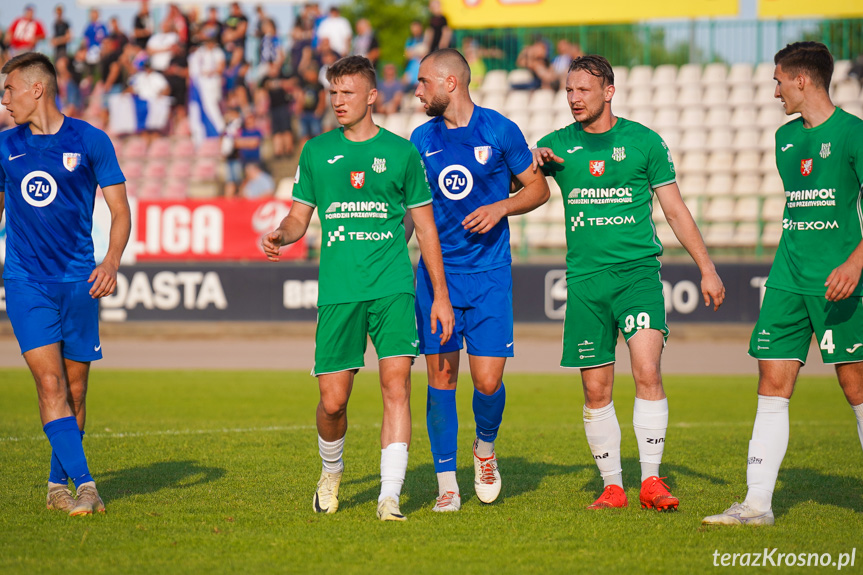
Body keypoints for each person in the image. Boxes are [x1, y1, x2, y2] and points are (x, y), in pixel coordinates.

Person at [262, 55, 454, 521]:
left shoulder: (402, 154)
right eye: (333, 93)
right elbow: (298, 217)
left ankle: (389, 495)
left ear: (371, 96)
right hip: (338, 292)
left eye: (347, 93)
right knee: (333, 402)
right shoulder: (315, 152)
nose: (337, 101)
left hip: (392, 286)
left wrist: (441, 295)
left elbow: (426, 230)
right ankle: (331, 471)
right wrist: (282, 235)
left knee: (396, 387)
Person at [532, 55, 725, 511]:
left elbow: (675, 211)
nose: (574, 98)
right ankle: (613, 485)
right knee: (596, 390)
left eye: (583, 89)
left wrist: (707, 267)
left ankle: (652, 480)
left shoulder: (644, 142)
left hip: (638, 275)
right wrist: (531, 162)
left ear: (608, 92)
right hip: (583, 282)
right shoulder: (555, 146)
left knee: (647, 372)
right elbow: (521, 186)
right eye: (569, 90)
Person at [703, 42, 863, 527]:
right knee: (772, 384)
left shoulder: (855, 133)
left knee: (855, 385)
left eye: (778, 81)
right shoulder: (785, 140)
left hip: (840, 282)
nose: (774, 91)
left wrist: (856, 262)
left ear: (802, 80)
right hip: (787, 280)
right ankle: (757, 506)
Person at [410, 48, 550, 512]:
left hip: (490, 276)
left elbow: (538, 188)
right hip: (438, 278)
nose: (417, 91)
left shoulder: (500, 129)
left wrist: (501, 207)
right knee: (442, 378)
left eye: (424, 82)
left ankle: (485, 451)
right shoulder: (419, 139)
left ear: (451, 83)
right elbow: (413, 214)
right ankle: (447, 482)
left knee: (487, 383)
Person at [0, 52, 131, 516]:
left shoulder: (90, 140)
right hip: (25, 282)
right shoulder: (4, 145)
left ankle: (59, 485)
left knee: (75, 392)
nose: (5, 99)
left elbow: (120, 210)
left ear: (37, 89)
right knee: (50, 382)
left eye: (9, 89)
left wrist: (111, 260)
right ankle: (88, 486)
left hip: (79, 283)